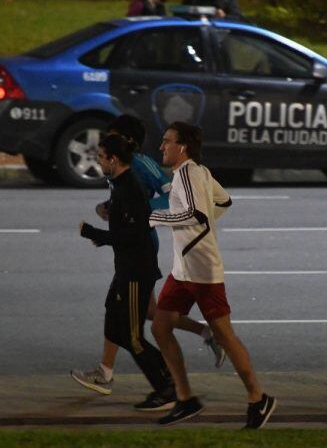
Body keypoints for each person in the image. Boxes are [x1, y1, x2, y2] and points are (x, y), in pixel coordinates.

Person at [71, 115, 225, 397]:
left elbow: (169, 196)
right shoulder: (122, 166)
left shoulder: (141, 164)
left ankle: (136, 378)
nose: (105, 144)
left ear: (126, 142)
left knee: (130, 316)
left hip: (138, 246)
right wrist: (108, 206)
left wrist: (140, 211)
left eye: (112, 136)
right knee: (146, 311)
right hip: (129, 245)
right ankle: (205, 334)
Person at [149, 122, 276, 428]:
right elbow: (223, 201)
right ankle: (185, 398)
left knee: (226, 336)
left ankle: (259, 398)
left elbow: (196, 214)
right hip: (184, 269)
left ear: (183, 147)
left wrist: (157, 217)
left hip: (202, 271)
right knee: (161, 326)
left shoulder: (190, 173)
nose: (161, 147)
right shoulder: (199, 172)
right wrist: (199, 232)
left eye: (167, 142)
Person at [76, 133, 176, 411]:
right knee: (114, 325)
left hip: (136, 271)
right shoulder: (119, 184)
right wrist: (106, 235)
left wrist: (93, 233)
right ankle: (170, 377)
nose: (99, 162)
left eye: (101, 157)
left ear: (114, 159)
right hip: (126, 268)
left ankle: (167, 389)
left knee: (132, 336)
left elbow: (136, 233)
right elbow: (125, 229)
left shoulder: (130, 187)